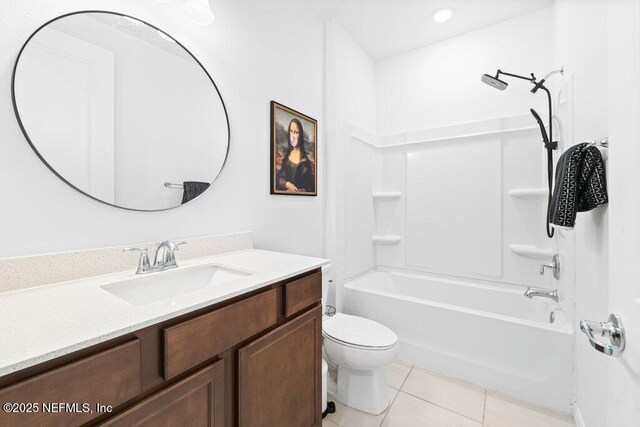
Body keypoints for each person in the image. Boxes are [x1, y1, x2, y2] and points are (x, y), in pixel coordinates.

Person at [276, 118, 315, 192]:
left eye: (296, 132)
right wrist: (287, 184)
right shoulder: (287, 155)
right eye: (291, 131)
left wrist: (296, 191)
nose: (293, 136)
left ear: (300, 135)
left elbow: (309, 189)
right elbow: (280, 177)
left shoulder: (305, 163)